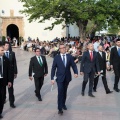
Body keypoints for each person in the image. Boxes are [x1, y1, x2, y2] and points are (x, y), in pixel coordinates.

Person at [51, 44, 78, 115]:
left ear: (65, 48)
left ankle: (63, 104)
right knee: (60, 92)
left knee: (64, 91)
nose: (63, 49)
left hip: (67, 77)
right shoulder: (56, 57)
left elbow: (73, 65)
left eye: (64, 48)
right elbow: (53, 68)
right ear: (59, 49)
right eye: (61, 48)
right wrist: (52, 78)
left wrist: (76, 72)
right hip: (59, 78)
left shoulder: (69, 56)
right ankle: (60, 108)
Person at [4, 42, 18, 108]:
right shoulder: (1, 53)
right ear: (3, 46)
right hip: (3, 74)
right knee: (3, 89)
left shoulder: (12, 53)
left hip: (10, 74)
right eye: (6, 45)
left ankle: (11, 102)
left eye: (8, 45)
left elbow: (14, 63)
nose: (7, 46)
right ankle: (3, 98)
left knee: (11, 88)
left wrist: (15, 72)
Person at [0, 43, 12, 119]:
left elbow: (9, 71)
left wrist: (9, 81)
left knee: (2, 97)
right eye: (1, 50)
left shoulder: (6, 60)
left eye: (3, 50)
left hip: (3, 81)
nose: (3, 51)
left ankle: (0, 111)